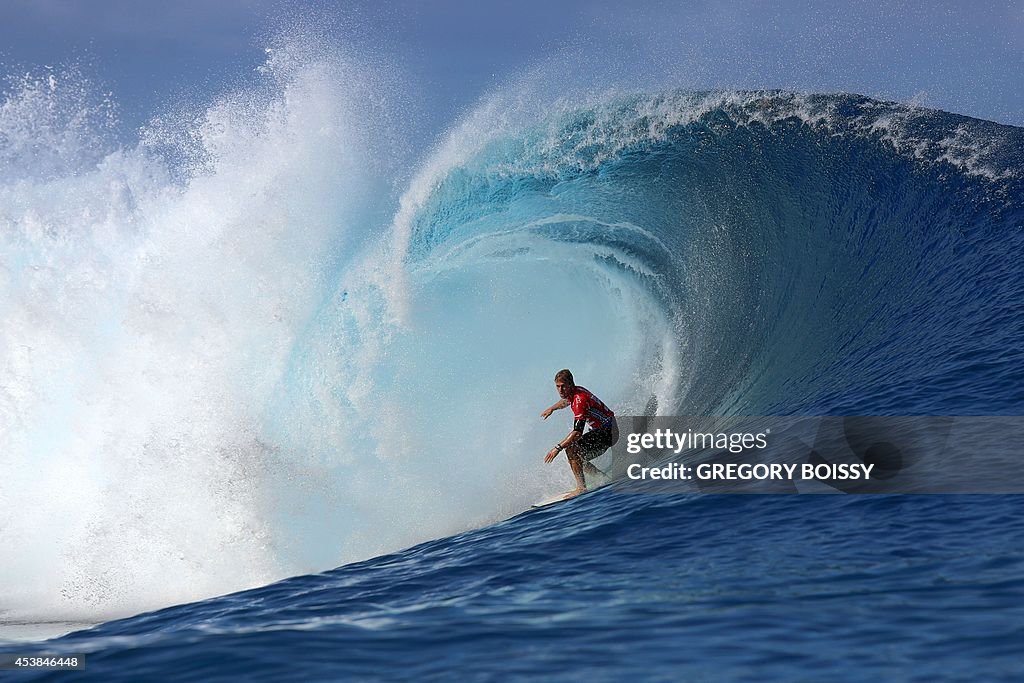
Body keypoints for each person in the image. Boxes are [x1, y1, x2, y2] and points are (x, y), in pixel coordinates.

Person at [541, 369, 619, 499]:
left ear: (571, 384)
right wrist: (552, 408)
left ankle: (581, 488)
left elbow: (577, 432)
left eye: (563, 386)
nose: (560, 390)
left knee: (571, 449)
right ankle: (602, 478)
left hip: (608, 433)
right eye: (557, 386)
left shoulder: (579, 400)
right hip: (607, 430)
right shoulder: (577, 391)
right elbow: (566, 401)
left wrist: (557, 448)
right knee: (578, 455)